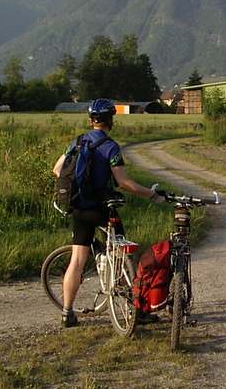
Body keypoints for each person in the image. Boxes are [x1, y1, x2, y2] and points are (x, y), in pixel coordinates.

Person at [51, 98, 165, 328]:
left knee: (77, 260)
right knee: (122, 257)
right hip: (101, 208)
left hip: (79, 208)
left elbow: (57, 169)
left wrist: (80, 190)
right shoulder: (110, 146)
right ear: (111, 119)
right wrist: (151, 195)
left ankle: (67, 313)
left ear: (91, 120)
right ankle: (135, 311)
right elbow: (123, 183)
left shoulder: (78, 141)